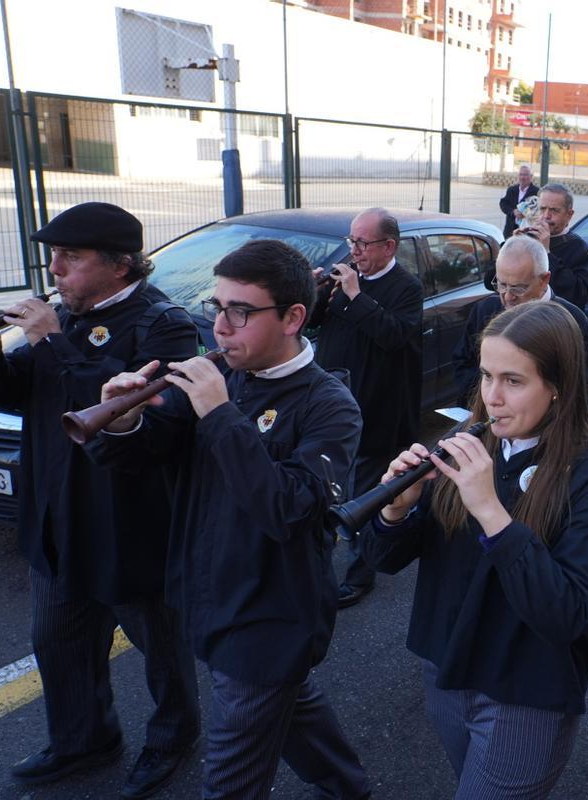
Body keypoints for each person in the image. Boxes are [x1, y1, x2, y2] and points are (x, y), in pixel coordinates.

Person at [88, 240, 370, 800]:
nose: (220, 326)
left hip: (269, 617)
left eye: (241, 312)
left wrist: (219, 414)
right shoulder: (225, 379)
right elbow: (148, 457)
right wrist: (121, 422)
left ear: (293, 317)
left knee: (230, 777)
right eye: (218, 307)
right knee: (290, 703)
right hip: (211, 597)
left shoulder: (329, 404)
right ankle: (348, 786)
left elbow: (286, 509)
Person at [0, 203, 201, 798]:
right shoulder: (66, 319)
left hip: (127, 525)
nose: (55, 270)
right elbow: (26, 394)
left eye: (71, 258)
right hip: (57, 518)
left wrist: (50, 342)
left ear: (121, 264)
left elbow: (125, 412)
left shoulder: (163, 327)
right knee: (58, 641)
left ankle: (173, 736)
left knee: (160, 647)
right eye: (53, 257)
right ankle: (83, 739)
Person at [362, 301, 588, 799]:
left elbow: (566, 613)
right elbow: (385, 560)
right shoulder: (468, 438)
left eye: (513, 381)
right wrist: (396, 510)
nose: (492, 397)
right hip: (447, 670)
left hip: (523, 694)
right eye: (486, 376)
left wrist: (490, 509)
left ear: (558, 385)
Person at [309, 208, 424, 609]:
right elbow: (312, 324)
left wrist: (356, 296)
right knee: (324, 485)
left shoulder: (406, 287)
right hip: (330, 403)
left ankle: (360, 574)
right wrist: (310, 293)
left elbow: (393, 336)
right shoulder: (342, 277)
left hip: (375, 409)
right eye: (351, 241)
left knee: (365, 493)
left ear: (388, 246)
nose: (353, 250)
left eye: (362, 243)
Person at [453, 235, 588, 406]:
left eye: (518, 288)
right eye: (501, 284)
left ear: (544, 280)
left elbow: (575, 395)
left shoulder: (574, 322)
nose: (507, 296)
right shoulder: (484, 310)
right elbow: (463, 362)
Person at [511, 182, 588, 309]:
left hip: (555, 322)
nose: (546, 216)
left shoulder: (580, 249)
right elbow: (492, 282)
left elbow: (578, 296)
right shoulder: (527, 238)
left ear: (569, 215)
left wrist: (546, 252)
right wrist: (511, 247)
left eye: (554, 210)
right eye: (542, 209)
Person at [499, 164, 539, 239]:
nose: (522, 177)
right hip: (510, 230)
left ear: (531, 176)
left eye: (525, 175)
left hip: (527, 231)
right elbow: (503, 203)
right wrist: (513, 211)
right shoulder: (511, 190)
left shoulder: (537, 191)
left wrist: (526, 214)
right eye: (521, 174)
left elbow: (539, 211)